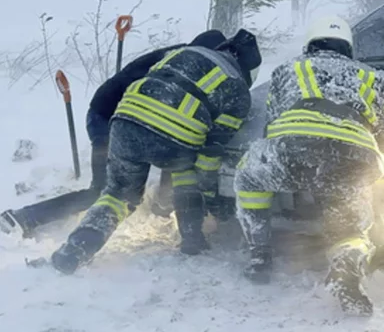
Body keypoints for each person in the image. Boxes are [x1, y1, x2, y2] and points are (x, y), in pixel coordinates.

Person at [49, 28, 262, 274]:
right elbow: (210, 155)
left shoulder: (181, 53)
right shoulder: (237, 90)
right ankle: (193, 241)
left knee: (118, 195)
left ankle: (75, 250)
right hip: (174, 138)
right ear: (247, 70)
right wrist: (212, 198)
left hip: (124, 123)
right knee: (186, 174)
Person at [233, 15, 384, 316]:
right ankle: (348, 264)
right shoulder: (373, 76)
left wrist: (284, 163)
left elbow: (272, 123)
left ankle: (260, 253)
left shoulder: (289, 69)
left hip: (294, 146)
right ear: (348, 47)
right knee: (351, 222)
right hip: (353, 154)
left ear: (310, 45)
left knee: (249, 177)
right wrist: (378, 178)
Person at [0, 30, 227, 238]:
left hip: (134, 120)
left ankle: (161, 204)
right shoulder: (182, 64)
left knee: (175, 149)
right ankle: (24, 217)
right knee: (102, 191)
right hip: (108, 120)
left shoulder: (182, 58)